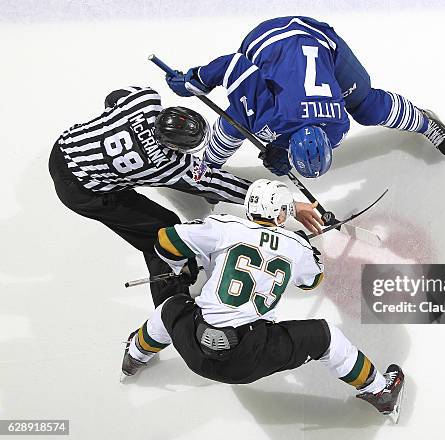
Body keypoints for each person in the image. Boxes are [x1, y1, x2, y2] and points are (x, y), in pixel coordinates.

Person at [121, 179, 405, 420]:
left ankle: (135, 355)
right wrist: (305, 251)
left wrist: (180, 267)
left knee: (169, 309)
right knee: (326, 337)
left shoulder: (223, 226)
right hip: (250, 356)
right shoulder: (297, 246)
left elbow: (165, 240)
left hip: (196, 348)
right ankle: (379, 391)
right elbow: (311, 282)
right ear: (282, 214)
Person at [49, 86, 324, 307]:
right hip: (82, 190)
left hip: (63, 146)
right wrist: (289, 205)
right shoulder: (166, 164)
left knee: (170, 202)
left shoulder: (143, 101)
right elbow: (217, 182)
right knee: (160, 229)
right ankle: (170, 305)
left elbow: (115, 98)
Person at [166, 16, 445, 180]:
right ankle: (210, 167)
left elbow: (237, 68)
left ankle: (424, 121)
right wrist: (199, 80)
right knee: (236, 124)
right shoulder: (324, 127)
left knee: (367, 105)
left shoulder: (337, 126)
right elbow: (233, 67)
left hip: (304, 38)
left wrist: (279, 149)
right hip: (284, 41)